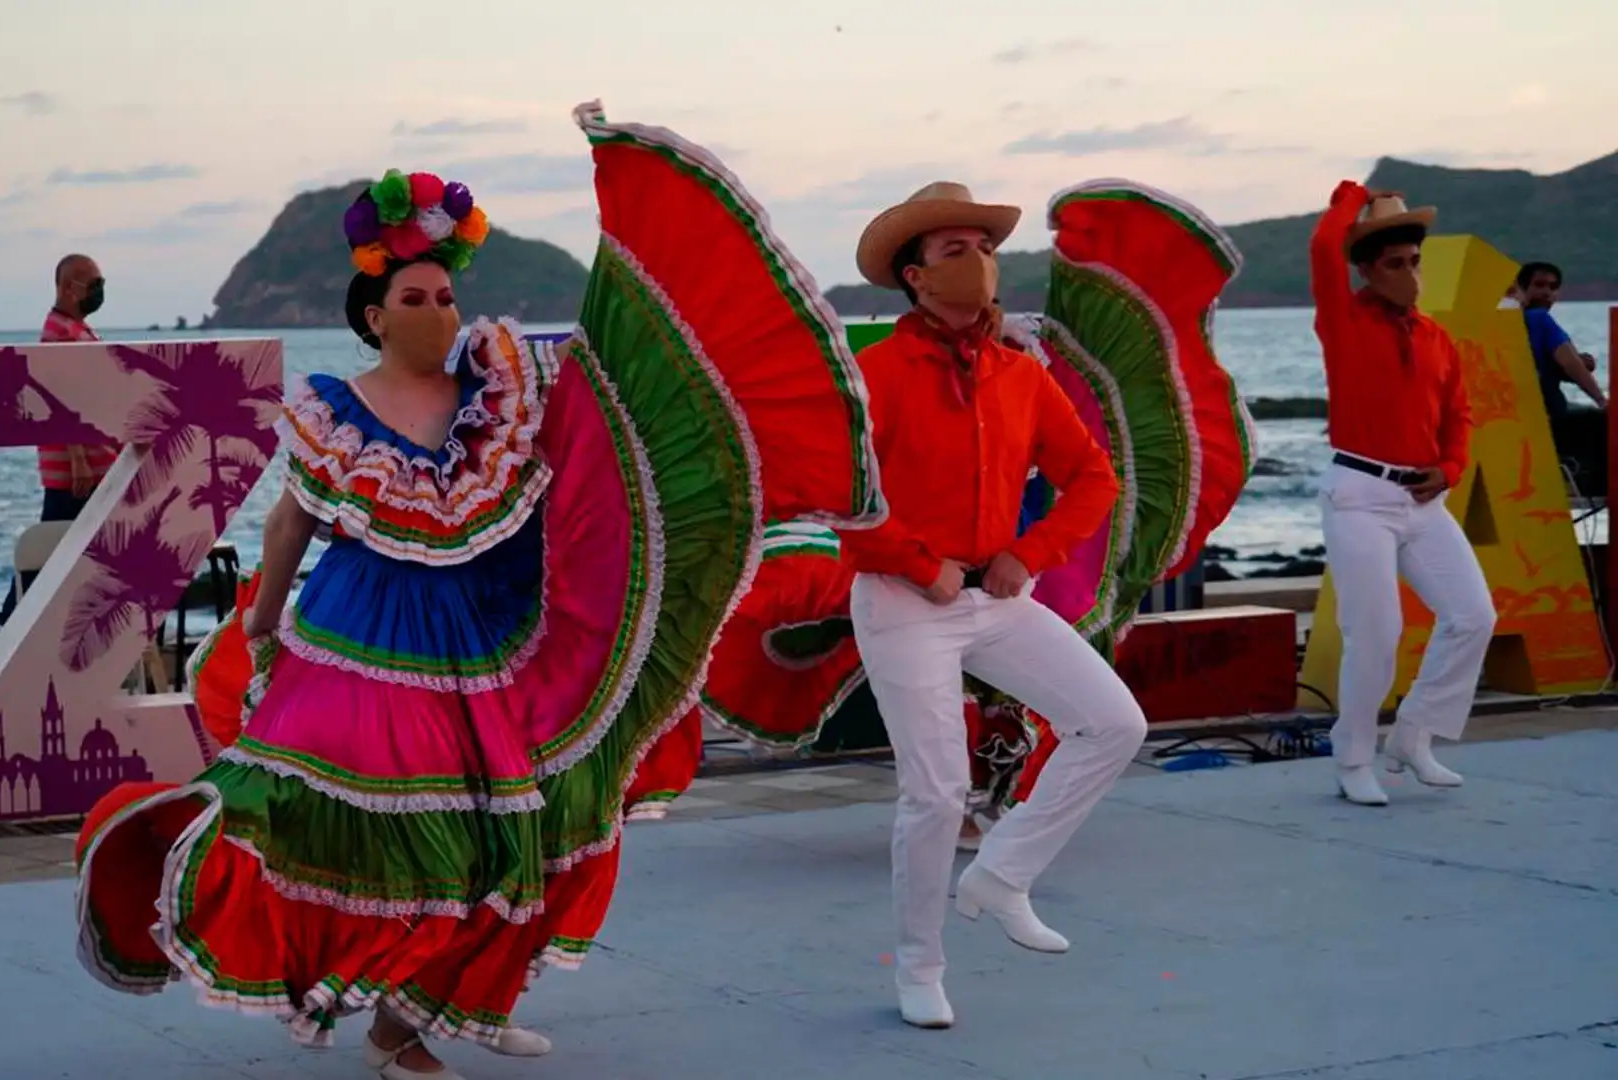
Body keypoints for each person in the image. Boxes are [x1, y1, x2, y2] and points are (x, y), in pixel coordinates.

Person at [73, 105, 885, 1080]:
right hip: (365, 643)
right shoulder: (338, 409)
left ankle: (443, 1004)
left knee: (523, 823)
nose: (440, 314)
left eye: (447, 299)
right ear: (374, 314)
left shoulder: (496, 394)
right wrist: (263, 615)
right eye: (416, 299)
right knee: (361, 827)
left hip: (495, 640)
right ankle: (373, 1001)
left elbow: (586, 460)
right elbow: (291, 519)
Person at [840, 181, 1144, 1031]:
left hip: (1001, 595)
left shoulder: (1020, 373)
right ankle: (919, 965)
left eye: (983, 245)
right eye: (953, 250)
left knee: (1114, 723)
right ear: (915, 277)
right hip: (904, 599)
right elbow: (842, 494)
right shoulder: (875, 374)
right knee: (936, 794)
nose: (977, 261)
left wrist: (1030, 552)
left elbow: (1094, 477)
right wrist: (918, 562)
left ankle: (1002, 874)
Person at [1309, 182, 1496, 807]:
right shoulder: (1341, 319)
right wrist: (1348, 202)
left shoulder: (1437, 338)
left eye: (1415, 261)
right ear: (1366, 270)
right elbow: (1321, 248)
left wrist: (1450, 467)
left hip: (1422, 499)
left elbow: (1459, 415)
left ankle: (1414, 735)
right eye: (1395, 263)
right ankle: (1353, 756)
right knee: (1377, 632)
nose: (1410, 274)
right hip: (1359, 493)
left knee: (1474, 616)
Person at [0, 253, 120, 626]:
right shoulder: (58, 332)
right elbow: (58, 397)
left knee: (65, 543)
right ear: (68, 287)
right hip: (75, 468)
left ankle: (21, 615)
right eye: (93, 284)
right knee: (54, 544)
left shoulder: (80, 329)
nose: (99, 291)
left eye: (101, 283)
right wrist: (78, 458)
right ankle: (14, 615)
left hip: (95, 462)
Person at [1516, 260, 1607, 497]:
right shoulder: (1539, 319)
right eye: (1539, 285)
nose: (1546, 292)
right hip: (1547, 415)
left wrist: (1575, 364)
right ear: (1522, 288)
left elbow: (1544, 366)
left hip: (1522, 416)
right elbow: (1570, 363)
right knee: (1598, 419)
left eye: (1553, 287)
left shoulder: (1510, 321)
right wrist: (1600, 399)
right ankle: (1584, 478)